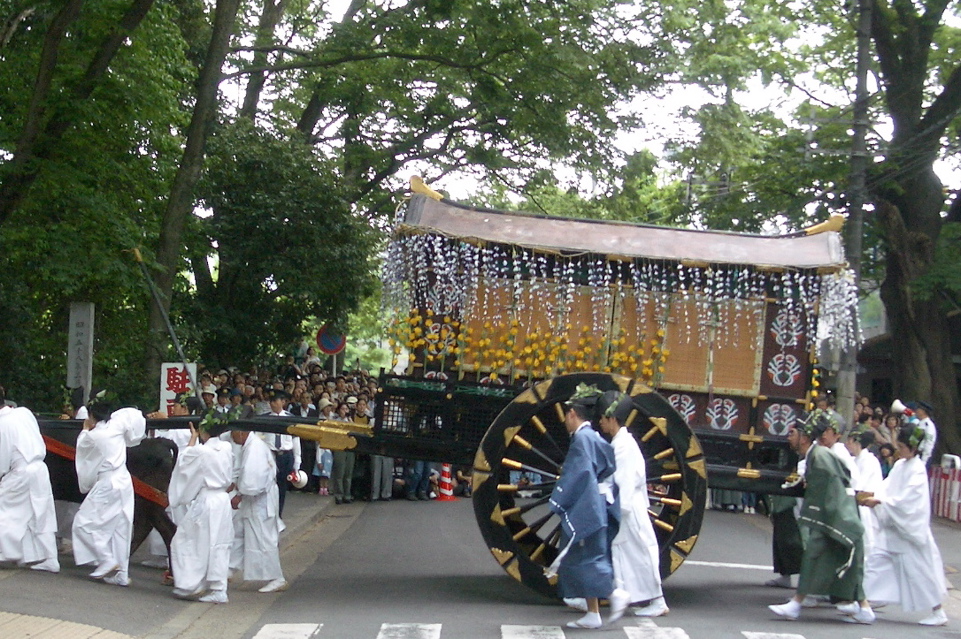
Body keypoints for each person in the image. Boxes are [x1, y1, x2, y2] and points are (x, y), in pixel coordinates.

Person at [768, 410, 873, 624]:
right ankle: (800, 603)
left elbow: (834, 485)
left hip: (839, 516)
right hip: (835, 515)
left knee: (839, 563)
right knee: (826, 560)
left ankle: (860, 606)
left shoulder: (823, 455)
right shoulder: (821, 453)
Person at [547, 384, 629, 629]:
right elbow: (606, 467)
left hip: (590, 505)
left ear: (573, 414)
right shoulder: (593, 436)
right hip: (599, 501)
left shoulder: (583, 438)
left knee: (588, 557)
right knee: (585, 556)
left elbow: (579, 474)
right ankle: (593, 612)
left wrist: (560, 497)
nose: (565, 421)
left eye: (567, 415)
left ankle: (614, 594)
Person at [859, 424, 948, 626]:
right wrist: (875, 495)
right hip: (894, 529)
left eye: (902, 446)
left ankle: (938, 610)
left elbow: (908, 503)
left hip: (909, 532)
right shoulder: (900, 466)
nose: (899, 449)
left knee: (919, 573)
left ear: (914, 448)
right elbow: (886, 487)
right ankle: (862, 601)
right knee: (875, 563)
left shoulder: (917, 470)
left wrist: (880, 502)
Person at [595, 391, 667, 617]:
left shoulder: (624, 446)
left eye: (603, 418)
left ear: (612, 419)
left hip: (628, 507)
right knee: (632, 554)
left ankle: (657, 600)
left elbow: (623, 482)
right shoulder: (622, 443)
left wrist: (616, 510)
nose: (600, 422)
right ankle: (634, 595)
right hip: (626, 505)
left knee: (640, 553)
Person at [72, 394, 146, 587]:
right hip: (124, 479)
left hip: (108, 483)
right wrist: (132, 439)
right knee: (121, 526)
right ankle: (121, 572)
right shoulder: (117, 424)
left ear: (91, 416)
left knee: (82, 523)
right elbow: (134, 417)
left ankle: (106, 559)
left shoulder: (93, 436)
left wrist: (85, 430)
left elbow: (83, 448)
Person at [168, 420, 234, 603]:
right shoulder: (226, 447)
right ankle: (215, 586)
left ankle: (192, 584)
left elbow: (184, 461)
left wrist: (193, 438)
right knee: (217, 543)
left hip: (208, 500)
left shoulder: (202, 451)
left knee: (186, 539)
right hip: (222, 500)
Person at [0, 389, 60, 572]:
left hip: (21, 471)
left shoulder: (2, 424)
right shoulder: (24, 412)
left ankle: (9, 552)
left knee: (6, 511)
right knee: (40, 514)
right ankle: (49, 558)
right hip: (39, 467)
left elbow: (2, 460)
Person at [229, 427, 287, 593]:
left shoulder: (255, 448)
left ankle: (277, 578)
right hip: (254, 498)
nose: (232, 438)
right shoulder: (250, 446)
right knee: (239, 532)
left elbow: (252, 482)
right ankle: (228, 568)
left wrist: (238, 494)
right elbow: (243, 473)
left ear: (241, 432)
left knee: (263, 539)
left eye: (233, 433)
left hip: (260, 500)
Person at [263, 389, 301, 517]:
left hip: (285, 455)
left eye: (275, 401)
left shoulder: (290, 418)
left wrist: (297, 462)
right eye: (271, 401)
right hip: (270, 455)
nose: (272, 404)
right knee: (267, 485)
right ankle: (269, 513)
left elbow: (296, 441)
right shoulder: (265, 418)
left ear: (283, 402)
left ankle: (278, 514)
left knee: (281, 486)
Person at [330, 401, 356, 504]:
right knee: (339, 472)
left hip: (349, 448)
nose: (344, 411)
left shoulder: (350, 421)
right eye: (342, 409)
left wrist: (350, 421)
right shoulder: (335, 421)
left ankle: (347, 494)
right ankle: (339, 494)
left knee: (348, 473)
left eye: (346, 409)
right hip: (339, 448)